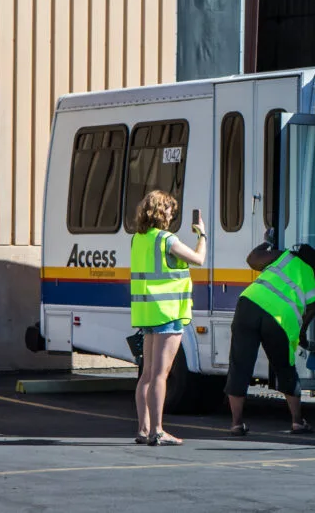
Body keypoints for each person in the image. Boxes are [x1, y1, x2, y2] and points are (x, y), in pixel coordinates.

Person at [225, 233, 315, 437]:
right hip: (276, 319)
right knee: (285, 367)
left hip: (247, 305)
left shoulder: (284, 257)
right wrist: (301, 338)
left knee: (239, 365)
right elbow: (308, 313)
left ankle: (236, 424)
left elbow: (252, 259)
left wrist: (267, 242)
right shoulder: (310, 279)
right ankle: (297, 422)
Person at [130, 190, 207, 447]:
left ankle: (144, 429)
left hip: (147, 313)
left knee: (147, 375)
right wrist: (202, 235)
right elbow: (199, 259)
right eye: (171, 210)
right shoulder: (166, 240)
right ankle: (158, 431)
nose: (173, 214)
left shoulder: (138, 239)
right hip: (168, 313)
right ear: (163, 212)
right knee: (161, 375)